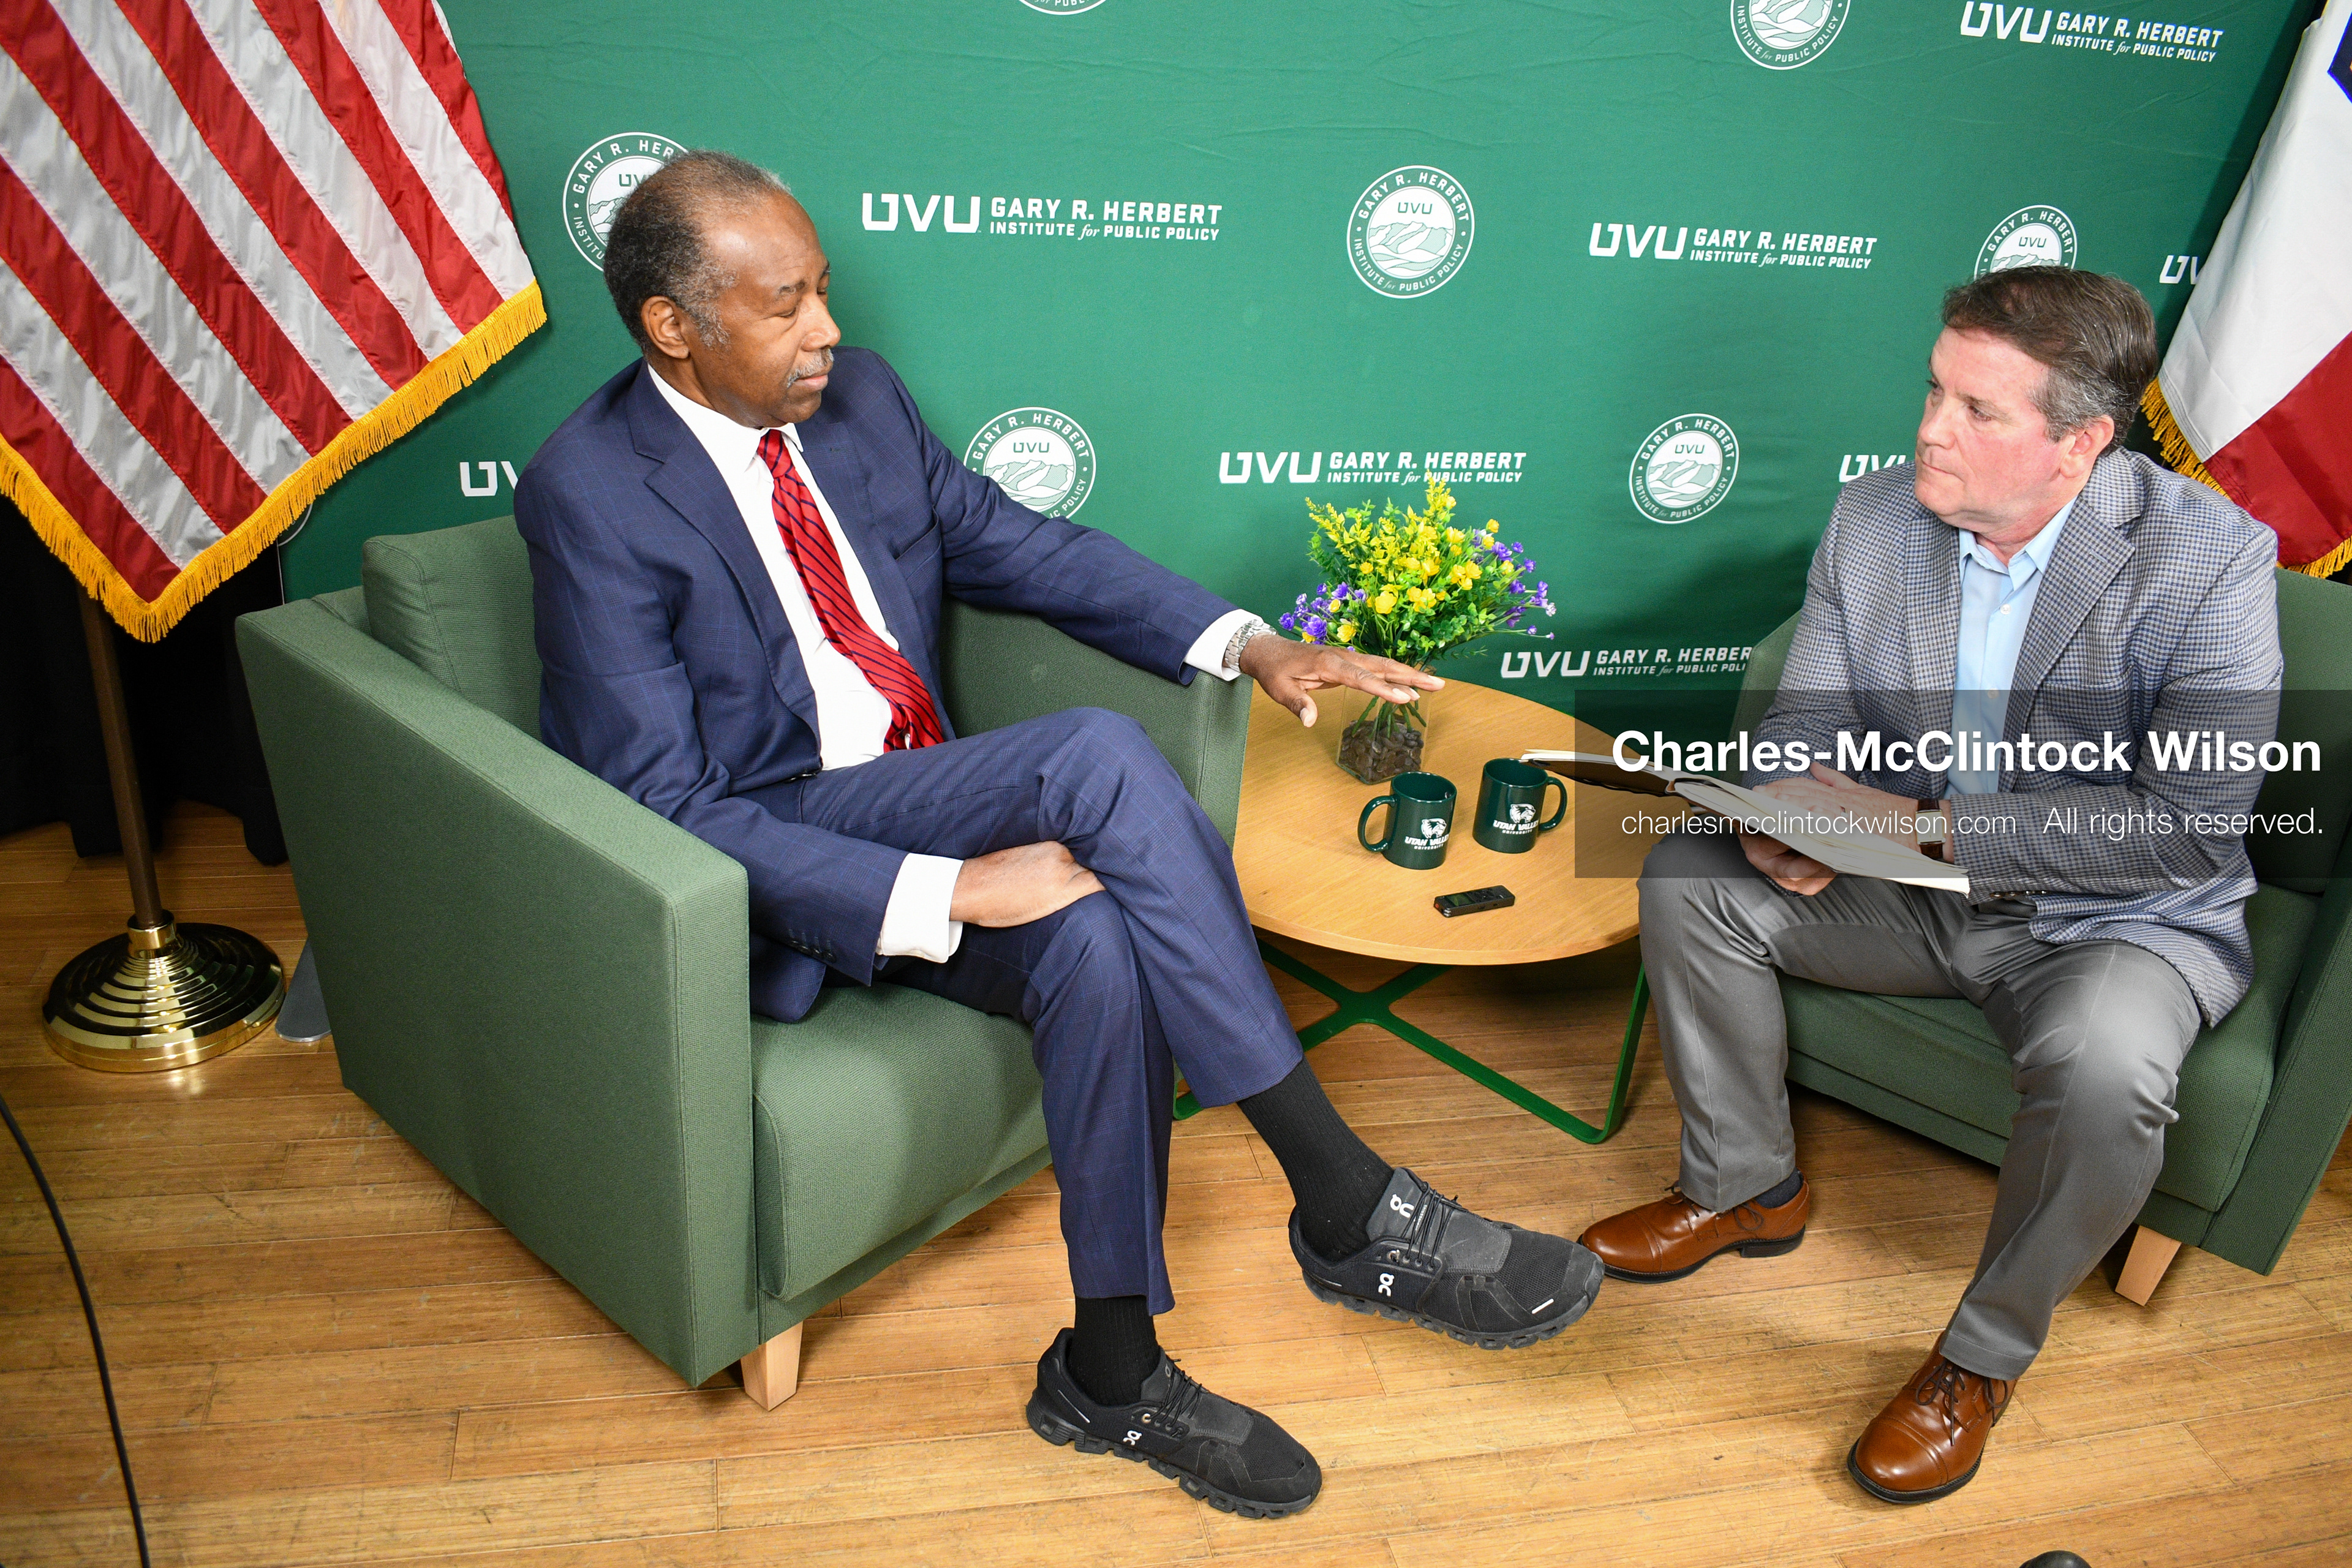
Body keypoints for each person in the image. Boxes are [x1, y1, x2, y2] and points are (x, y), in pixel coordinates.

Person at [514, 151, 1604, 1519]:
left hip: (922, 772)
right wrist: (957, 886)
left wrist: (1254, 642)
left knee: (1093, 934)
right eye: (785, 305)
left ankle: (1107, 1369)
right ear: (673, 326)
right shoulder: (589, 493)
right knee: (1092, 752)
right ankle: (1342, 1195)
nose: (829, 332)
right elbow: (669, 806)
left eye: (826, 292)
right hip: (781, 832)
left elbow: (1015, 542)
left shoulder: (859, 403)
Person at [1578, 266, 2282, 1504]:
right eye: (1932, 389)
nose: (1930, 430)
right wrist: (1788, 811)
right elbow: (1809, 724)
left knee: (2111, 1064)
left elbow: (2190, 821)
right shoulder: (1873, 516)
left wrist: (1937, 828)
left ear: (2082, 444)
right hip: (1903, 883)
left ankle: (1980, 1356)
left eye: (1978, 410)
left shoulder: (2213, 561)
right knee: (1692, 875)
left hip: (2110, 920)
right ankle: (1746, 1185)